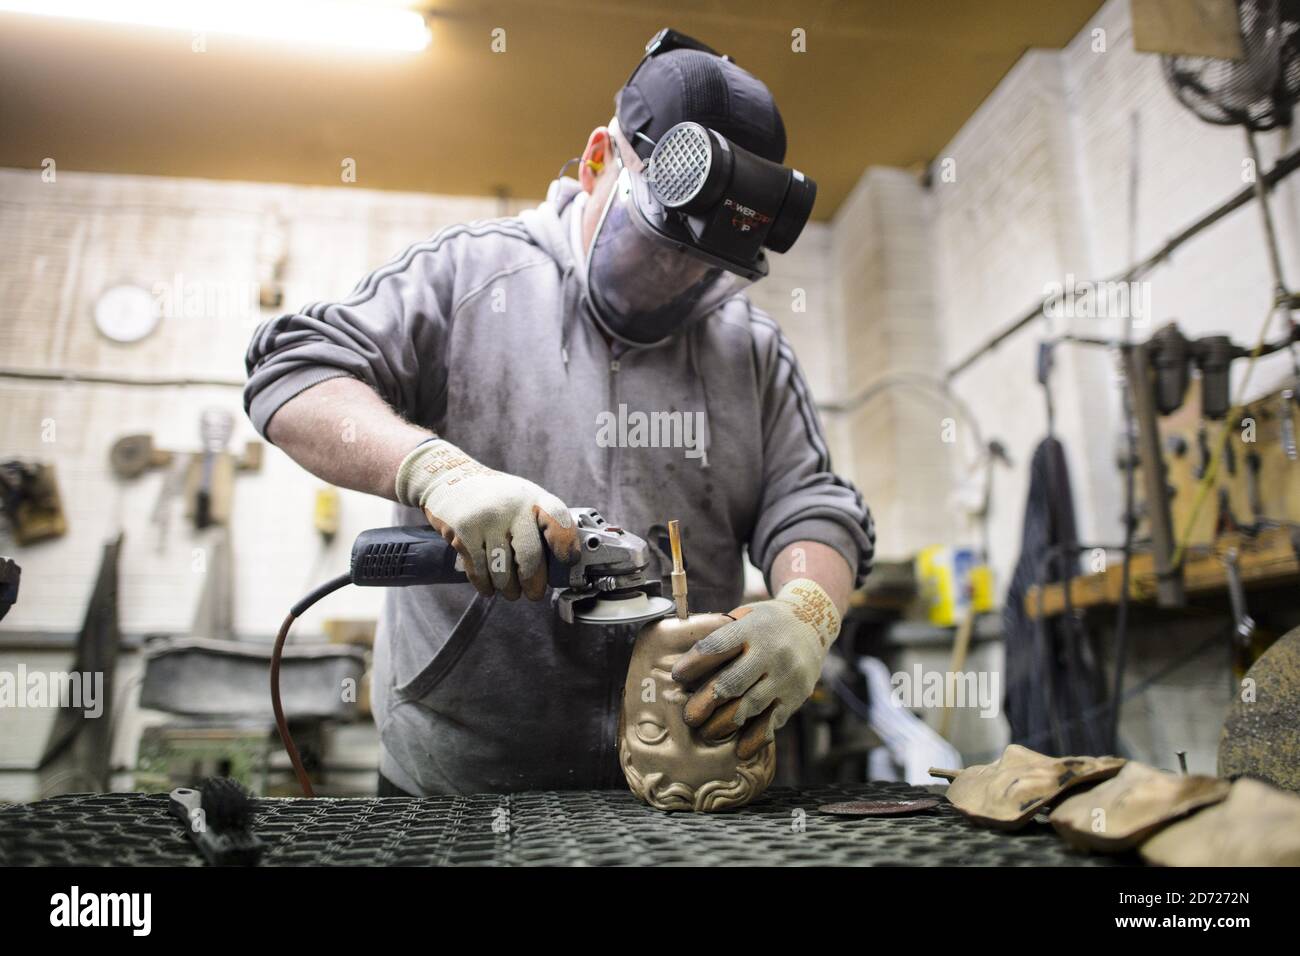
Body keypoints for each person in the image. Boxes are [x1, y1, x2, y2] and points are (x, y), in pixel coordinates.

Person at [243, 28, 874, 796]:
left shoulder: (752, 352)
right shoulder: (470, 276)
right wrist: (436, 472)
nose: (676, 277)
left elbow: (812, 504)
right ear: (599, 161)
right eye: (661, 243)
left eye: (707, 267)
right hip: (458, 789)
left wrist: (808, 610)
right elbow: (296, 371)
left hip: (681, 790)